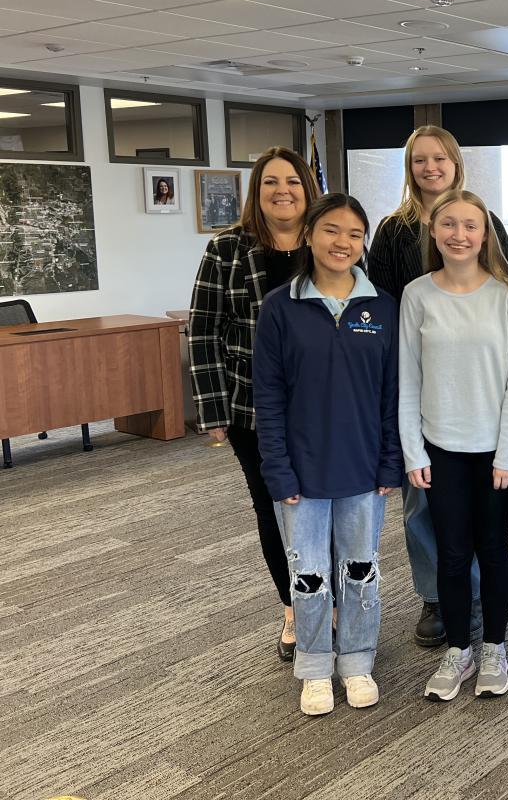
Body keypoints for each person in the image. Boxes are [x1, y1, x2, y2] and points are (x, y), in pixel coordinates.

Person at [253, 192, 402, 717]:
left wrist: (391, 461)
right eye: (332, 230)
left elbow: (393, 394)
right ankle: (314, 665)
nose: (343, 242)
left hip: (364, 468)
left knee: (361, 570)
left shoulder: (383, 307)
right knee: (309, 576)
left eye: (355, 234)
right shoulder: (280, 308)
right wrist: (277, 469)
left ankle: (357, 660)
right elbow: (268, 397)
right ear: (310, 235)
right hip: (302, 472)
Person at [368, 124, 508, 648]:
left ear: (456, 164)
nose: (430, 168)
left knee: (481, 521)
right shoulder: (394, 231)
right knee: (422, 504)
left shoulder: (485, 220)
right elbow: (384, 308)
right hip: (422, 386)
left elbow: (502, 291)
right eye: (419, 160)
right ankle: (435, 595)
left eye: (440, 158)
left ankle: (472, 596)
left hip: (479, 397)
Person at [399, 189, 508, 702]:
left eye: (470, 225)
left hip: (496, 452)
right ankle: (459, 650)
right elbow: (408, 379)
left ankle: (494, 646)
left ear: (485, 235)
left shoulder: (507, 296)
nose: (459, 234)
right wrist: (413, 451)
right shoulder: (417, 295)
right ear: (434, 232)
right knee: (452, 554)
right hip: (440, 448)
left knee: (493, 549)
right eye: (449, 224)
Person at [189, 146, 319, 661]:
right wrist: (213, 410)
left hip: (324, 410)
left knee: (326, 506)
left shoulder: (328, 240)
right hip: (253, 409)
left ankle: (328, 604)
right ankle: (293, 608)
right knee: (275, 508)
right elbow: (203, 330)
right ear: (256, 192)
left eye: (292, 181)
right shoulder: (227, 249)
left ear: (308, 188)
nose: (282, 191)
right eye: (270, 182)